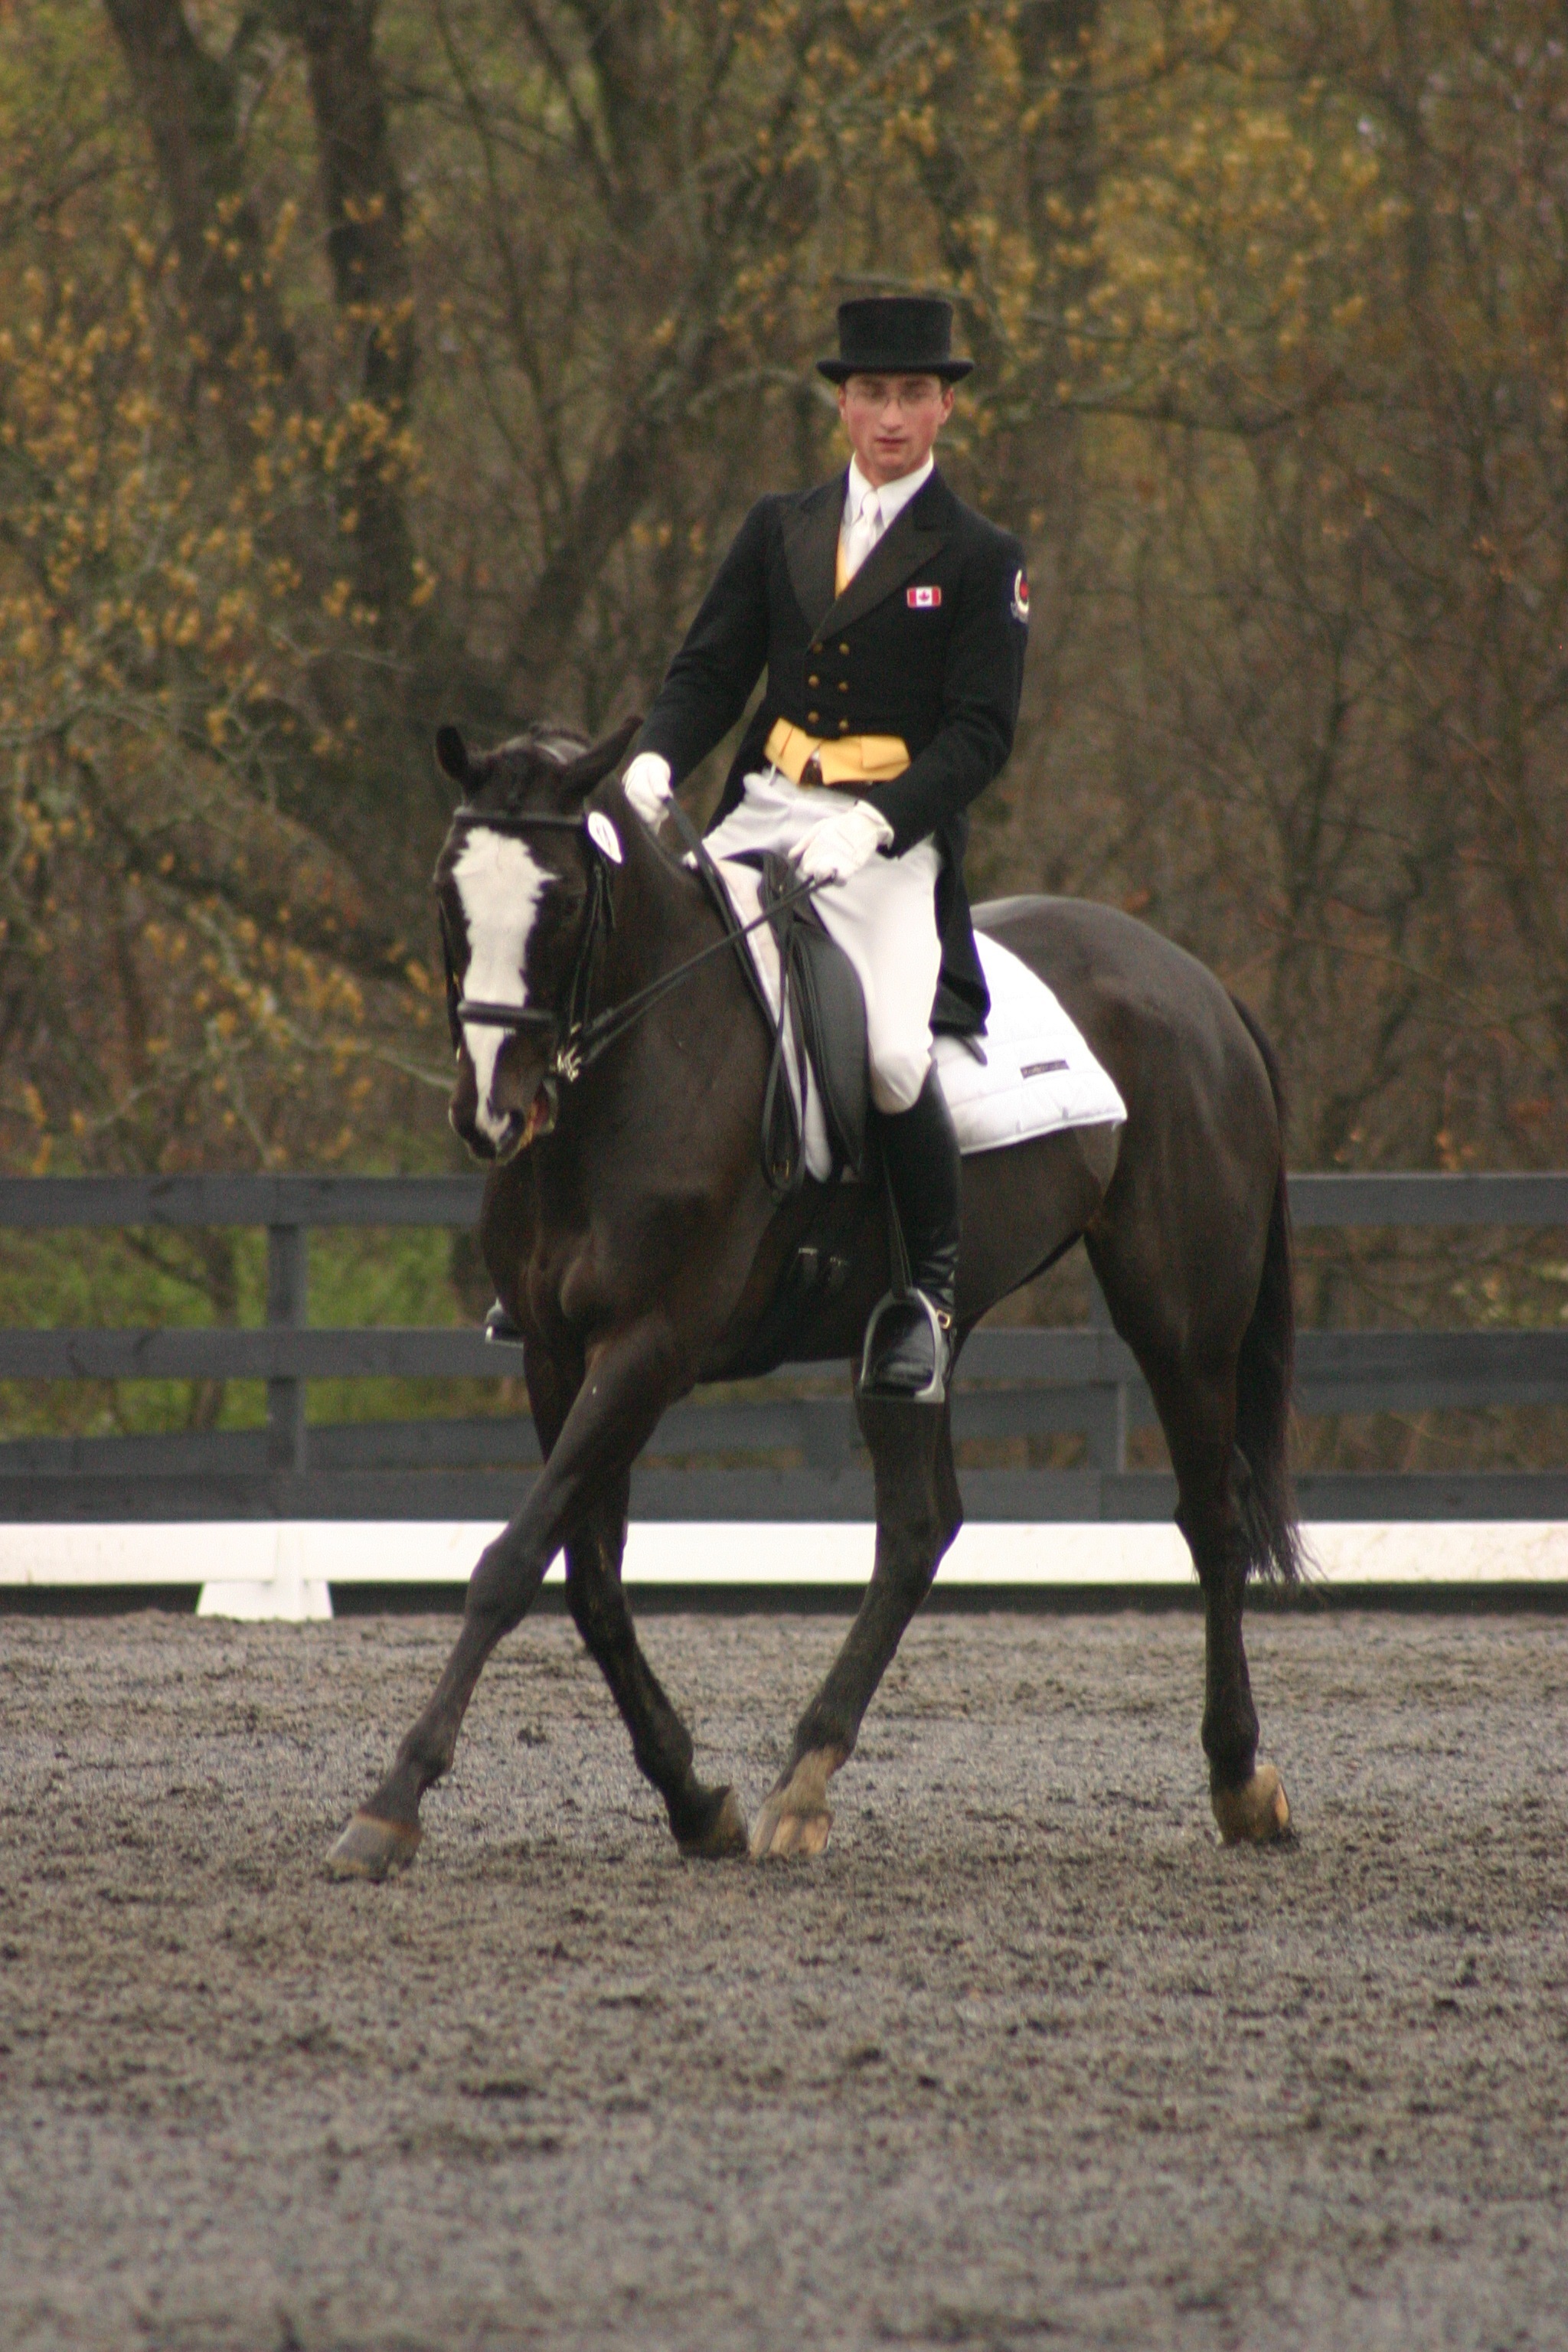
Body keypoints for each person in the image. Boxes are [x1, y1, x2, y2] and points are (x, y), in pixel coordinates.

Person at [623, 294, 1029, 1398]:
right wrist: (656, 759)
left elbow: (981, 735)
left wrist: (879, 822)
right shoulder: (780, 526)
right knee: (636, 973)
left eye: (913, 395)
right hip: (767, 808)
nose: (891, 416)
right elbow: (712, 670)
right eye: (872, 393)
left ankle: (927, 1297)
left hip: (887, 843)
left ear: (945, 407)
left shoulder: (981, 557)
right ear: (842, 403)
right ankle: (572, 1247)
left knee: (893, 1057)